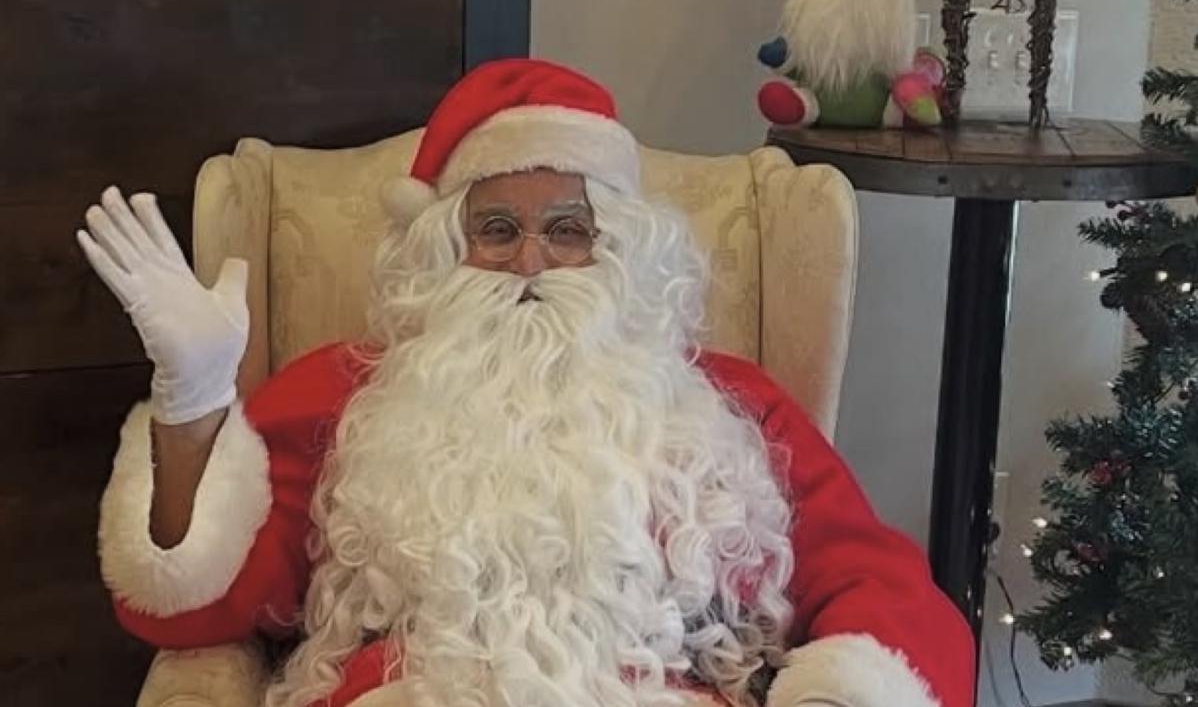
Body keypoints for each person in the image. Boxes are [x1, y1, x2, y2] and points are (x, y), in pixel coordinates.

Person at [81, 59, 973, 707]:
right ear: (444, 251)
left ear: (616, 247)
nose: (533, 262)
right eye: (498, 229)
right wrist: (193, 400)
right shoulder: (349, 394)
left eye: (569, 230)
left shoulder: (723, 404)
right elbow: (192, 606)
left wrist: (845, 696)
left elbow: (876, 580)